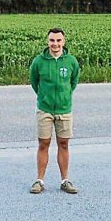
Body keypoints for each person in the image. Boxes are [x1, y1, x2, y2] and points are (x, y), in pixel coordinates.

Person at [29, 28, 80, 195]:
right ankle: (39, 180)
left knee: (63, 144)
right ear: (47, 41)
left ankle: (65, 180)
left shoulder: (71, 61)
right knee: (43, 144)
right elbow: (35, 82)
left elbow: (73, 82)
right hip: (45, 109)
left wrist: (63, 97)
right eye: (52, 40)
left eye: (58, 41)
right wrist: (45, 97)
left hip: (64, 109)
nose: (55, 44)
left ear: (63, 42)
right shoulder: (39, 61)